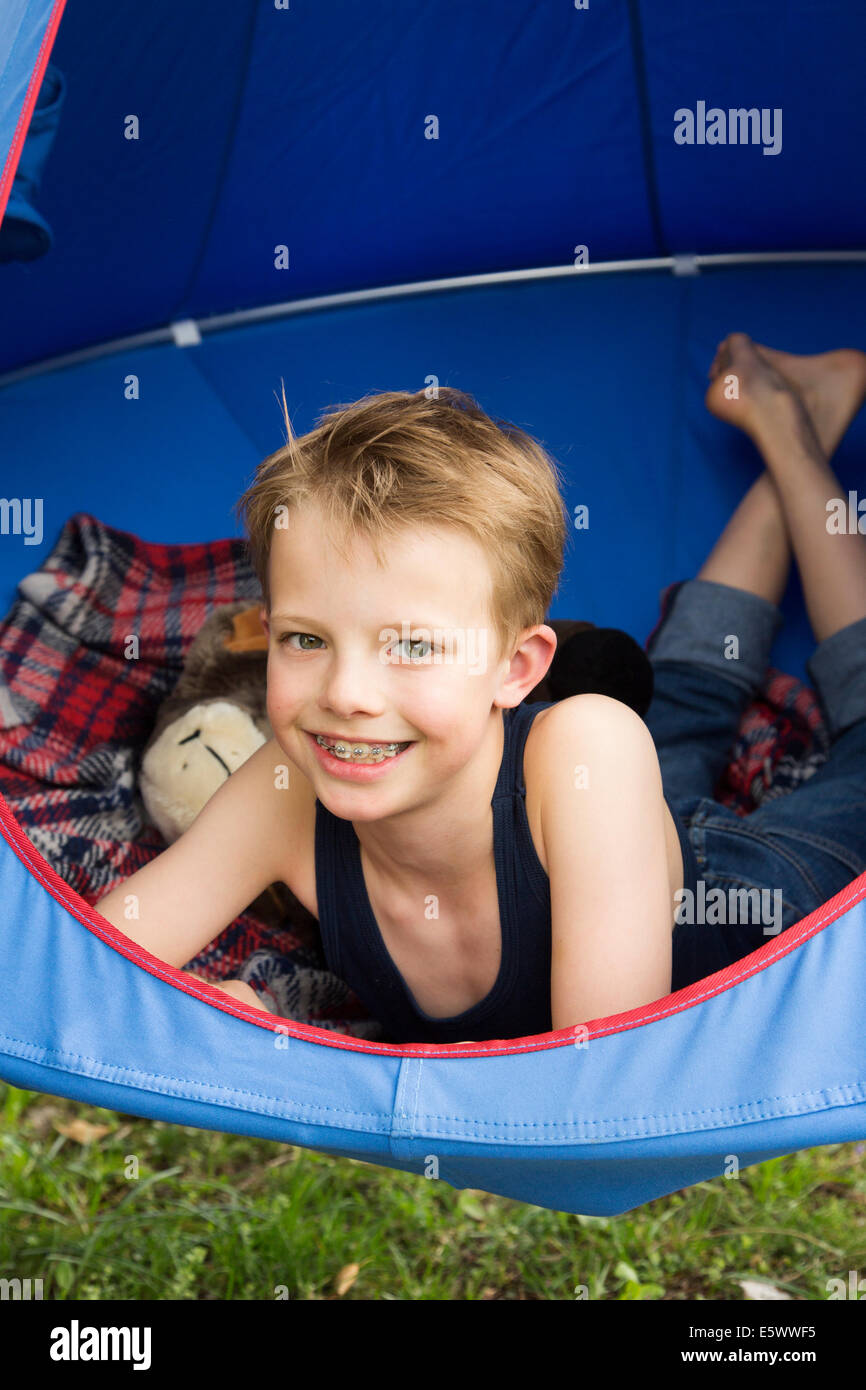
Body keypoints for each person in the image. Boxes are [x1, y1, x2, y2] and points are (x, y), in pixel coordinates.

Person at [95, 340, 866, 1039]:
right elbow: (86, 962)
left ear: (519, 669)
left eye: (414, 646)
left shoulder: (587, 743)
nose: (348, 693)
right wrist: (200, 1022)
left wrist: (294, 1058)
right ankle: (800, 420)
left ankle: (794, 441)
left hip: (748, 892)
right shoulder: (287, 785)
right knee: (687, 696)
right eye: (307, 639)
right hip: (583, 818)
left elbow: (595, 1086)